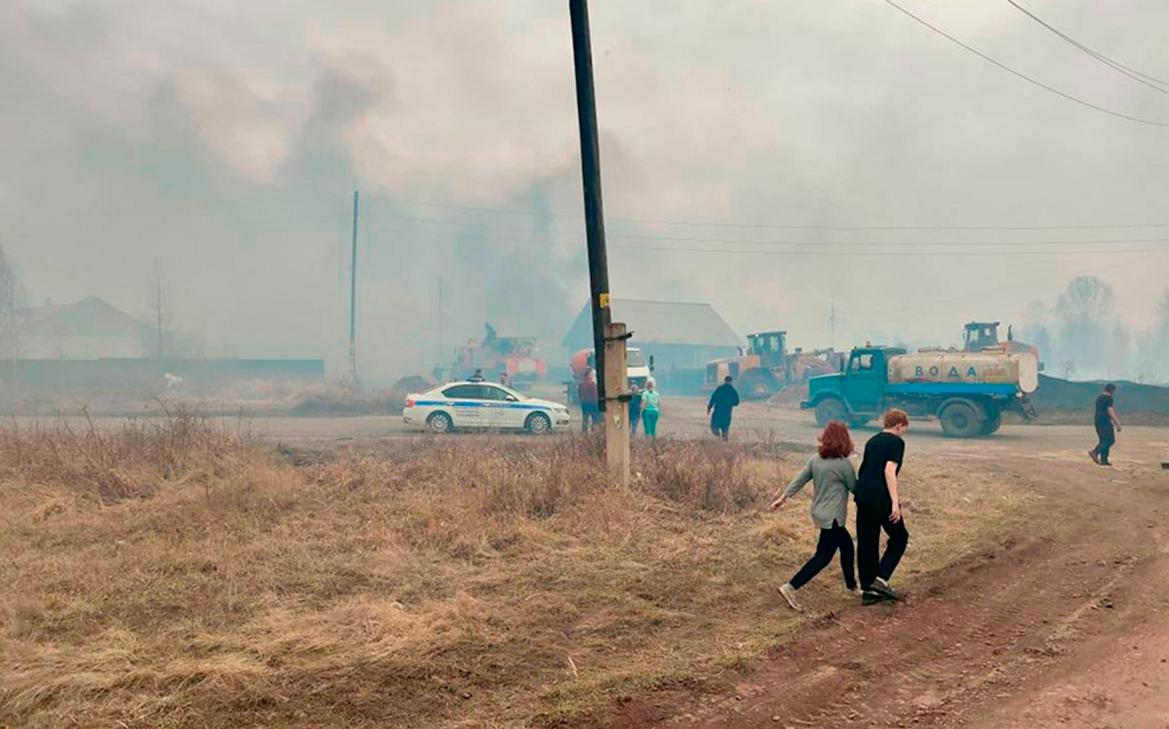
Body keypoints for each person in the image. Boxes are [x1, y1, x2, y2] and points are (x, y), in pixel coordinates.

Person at [770, 421, 859, 611]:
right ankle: (791, 586)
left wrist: (783, 497)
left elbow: (799, 480)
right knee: (823, 557)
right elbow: (855, 489)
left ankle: (852, 586)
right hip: (833, 517)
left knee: (847, 546)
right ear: (845, 440)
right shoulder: (844, 465)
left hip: (819, 512)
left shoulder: (815, 459)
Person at [854, 409, 910, 605]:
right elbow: (889, 469)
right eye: (904, 428)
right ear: (899, 425)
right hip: (881, 497)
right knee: (900, 537)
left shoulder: (872, 440)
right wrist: (895, 502)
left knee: (866, 541)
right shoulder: (896, 442)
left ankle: (868, 590)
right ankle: (881, 579)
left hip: (863, 495)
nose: (904, 432)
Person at [1089, 383, 1121, 466]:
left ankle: (1104, 460)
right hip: (1105, 421)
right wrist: (1117, 423)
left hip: (1098, 421)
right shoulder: (1108, 398)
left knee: (1103, 440)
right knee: (1109, 440)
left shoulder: (1099, 397)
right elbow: (1110, 410)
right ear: (1112, 390)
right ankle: (1095, 451)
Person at [707, 375, 740, 440]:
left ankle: (718, 438)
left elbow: (713, 398)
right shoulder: (733, 390)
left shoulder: (719, 389)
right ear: (731, 382)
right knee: (725, 429)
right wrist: (730, 402)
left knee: (714, 426)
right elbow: (737, 402)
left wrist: (709, 407)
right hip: (727, 414)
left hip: (717, 412)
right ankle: (724, 443)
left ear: (725, 381)